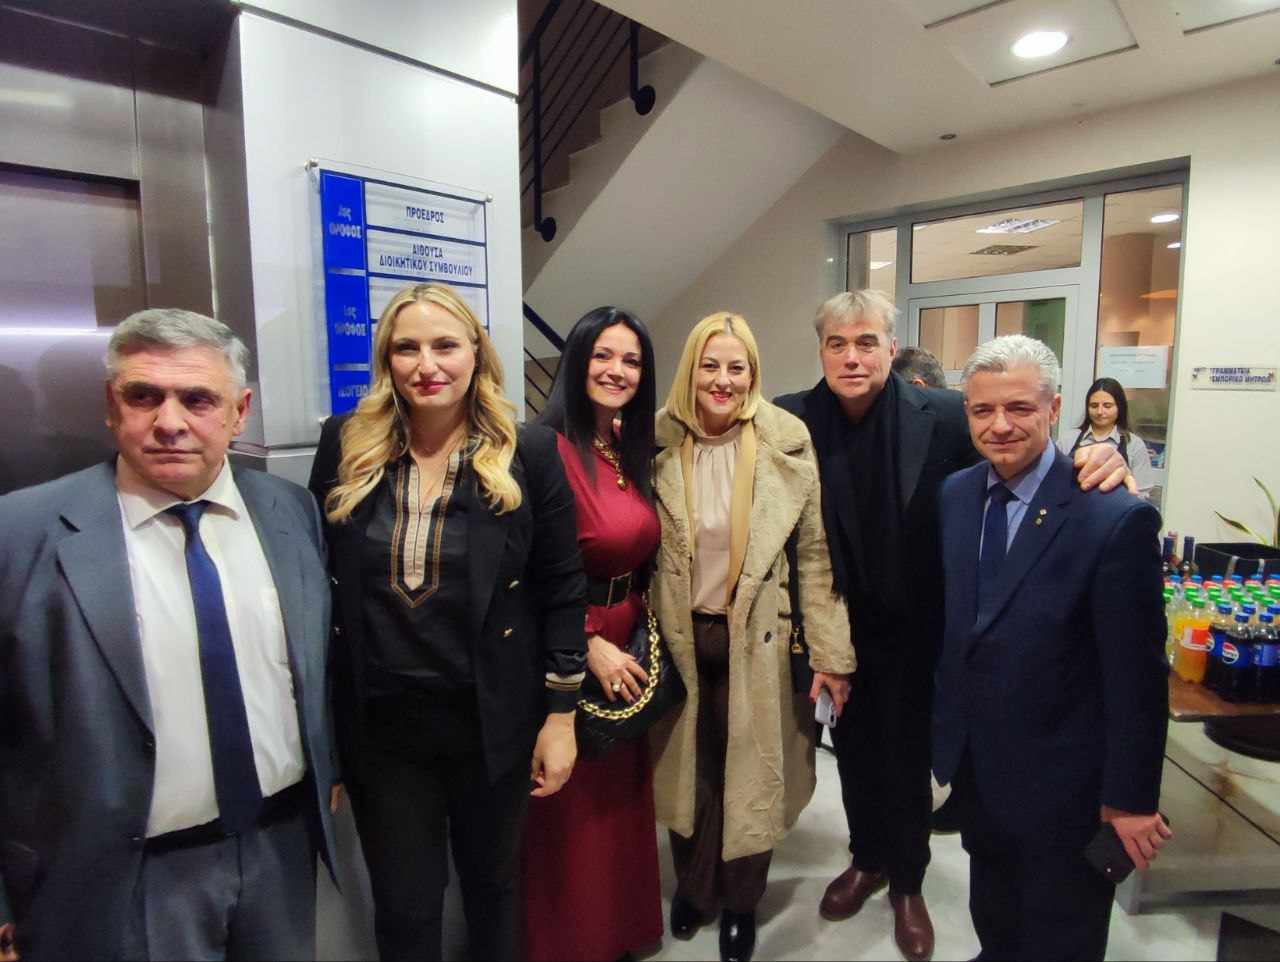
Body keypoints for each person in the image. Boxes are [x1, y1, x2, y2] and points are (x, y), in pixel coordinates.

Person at [775, 290, 1132, 962]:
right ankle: (867, 857)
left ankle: (908, 881)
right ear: (820, 351)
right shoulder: (789, 419)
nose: (852, 358)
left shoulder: (942, 413)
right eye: (837, 344)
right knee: (853, 751)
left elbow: (1017, 458)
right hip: (834, 631)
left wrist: (1099, 461)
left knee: (911, 759)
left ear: (890, 347)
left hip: (927, 630)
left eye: (867, 343)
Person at [0, 309, 337, 960]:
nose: (170, 422)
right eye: (144, 396)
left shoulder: (289, 511)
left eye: (198, 399)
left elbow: (314, 664)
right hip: (116, 878)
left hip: (279, 849)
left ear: (240, 412)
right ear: (112, 406)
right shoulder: (21, 533)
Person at [307, 282, 586, 962]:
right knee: (404, 908)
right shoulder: (345, 442)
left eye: (445, 346)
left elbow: (562, 588)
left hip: (492, 720)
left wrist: (560, 718)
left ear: (475, 354)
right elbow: (318, 581)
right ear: (386, 359)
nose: (426, 364)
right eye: (407, 348)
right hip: (384, 728)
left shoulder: (530, 452)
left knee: (493, 890)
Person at [934, 335, 1171, 961]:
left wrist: (1130, 801)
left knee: (1060, 938)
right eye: (983, 410)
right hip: (980, 772)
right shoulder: (956, 495)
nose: (1000, 425)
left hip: (1068, 789)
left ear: (1054, 408)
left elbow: (1139, 679)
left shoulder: (1112, 516)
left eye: (1019, 407)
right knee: (995, 916)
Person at [650, 311, 856, 962]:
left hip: (762, 640)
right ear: (690, 370)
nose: (723, 380)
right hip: (679, 640)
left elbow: (816, 555)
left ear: (753, 373)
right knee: (689, 770)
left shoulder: (785, 441)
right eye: (709, 365)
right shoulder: (654, 440)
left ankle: (741, 903)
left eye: (736, 367)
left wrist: (831, 654)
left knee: (752, 777)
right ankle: (694, 889)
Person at [521, 306, 664, 962]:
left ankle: (615, 935)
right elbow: (520, 569)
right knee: (569, 807)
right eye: (603, 355)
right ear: (576, 360)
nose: (616, 370)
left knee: (617, 801)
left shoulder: (627, 446)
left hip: (626, 633)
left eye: (631, 360)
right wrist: (586, 642)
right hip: (571, 642)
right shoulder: (543, 449)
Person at [1062, 376, 1156, 498]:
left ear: (1119, 407)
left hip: (1118, 509)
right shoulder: (1068, 440)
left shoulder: (1134, 445)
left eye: (1107, 406)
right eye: (1094, 406)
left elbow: (1141, 494)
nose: (1100, 412)